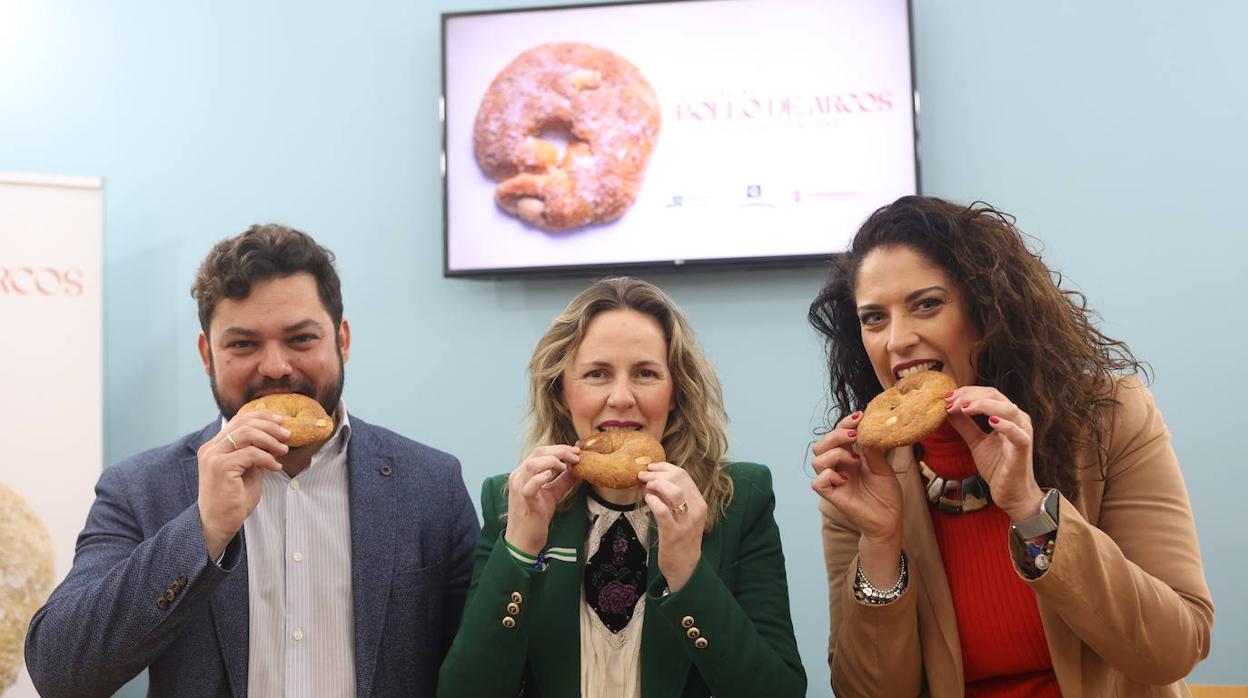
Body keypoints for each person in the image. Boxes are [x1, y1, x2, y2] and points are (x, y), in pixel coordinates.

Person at [25, 224, 480, 697]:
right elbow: (60, 673)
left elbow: (476, 671)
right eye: (243, 344)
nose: (276, 367)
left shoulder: (430, 484)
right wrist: (203, 530)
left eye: (301, 339)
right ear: (208, 355)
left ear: (341, 341)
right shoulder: (139, 488)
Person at [807, 195, 1214, 696]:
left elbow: (1175, 647)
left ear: (989, 308)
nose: (897, 340)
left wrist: (1030, 508)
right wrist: (881, 543)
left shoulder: (1109, 420)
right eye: (874, 318)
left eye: (927, 304)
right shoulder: (860, 478)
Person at [438, 277, 805, 698]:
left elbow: (780, 691)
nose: (621, 397)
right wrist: (520, 550)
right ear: (561, 392)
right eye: (597, 373)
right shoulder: (513, 501)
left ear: (676, 392)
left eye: (645, 373)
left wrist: (687, 573)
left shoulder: (739, 499)